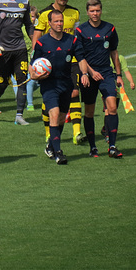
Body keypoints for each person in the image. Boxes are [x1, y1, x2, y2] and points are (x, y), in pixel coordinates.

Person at [32, 0, 83, 144]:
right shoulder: (45, 14)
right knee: (50, 100)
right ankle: (49, 133)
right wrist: (36, 63)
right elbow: (37, 37)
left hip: (70, 59)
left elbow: (75, 35)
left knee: (74, 93)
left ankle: (76, 133)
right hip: (49, 62)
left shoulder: (74, 12)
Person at [30, 10, 84, 165]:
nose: (60, 24)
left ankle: (51, 145)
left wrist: (85, 74)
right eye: (56, 22)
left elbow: (81, 60)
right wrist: (33, 75)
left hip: (66, 84)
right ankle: (58, 153)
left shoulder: (72, 41)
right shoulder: (42, 43)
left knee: (61, 118)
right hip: (49, 85)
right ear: (50, 23)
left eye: (61, 21)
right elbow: (33, 65)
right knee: (53, 115)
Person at [74, 0, 124, 159]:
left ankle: (112, 146)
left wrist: (119, 74)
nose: (95, 14)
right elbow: (80, 55)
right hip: (89, 75)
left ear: (101, 11)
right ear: (87, 12)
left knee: (112, 107)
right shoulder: (81, 31)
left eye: (98, 10)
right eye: (92, 11)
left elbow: (114, 52)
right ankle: (93, 147)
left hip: (106, 73)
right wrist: (90, 72)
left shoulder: (110, 29)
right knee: (89, 112)